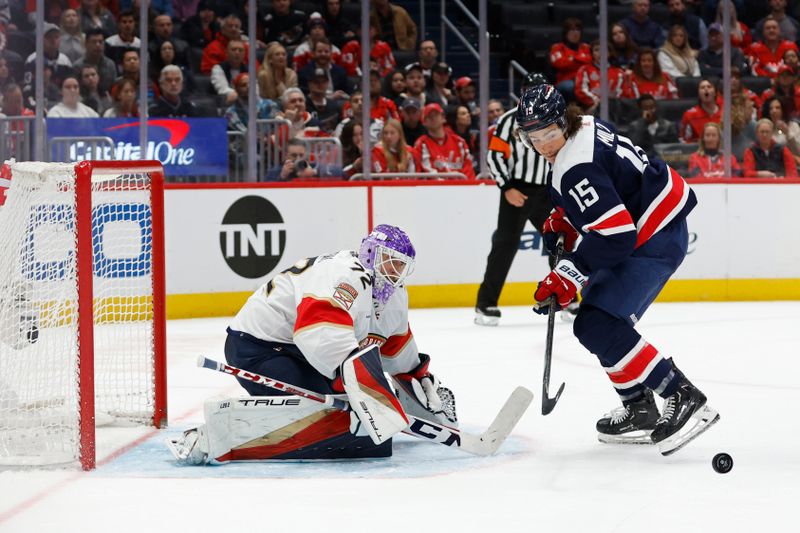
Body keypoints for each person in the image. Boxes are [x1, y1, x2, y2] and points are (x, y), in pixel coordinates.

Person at [516, 83, 719, 455]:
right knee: (594, 321)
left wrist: (567, 273)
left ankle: (681, 394)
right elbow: (609, 185)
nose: (543, 143)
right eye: (534, 136)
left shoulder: (574, 167)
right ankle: (639, 408)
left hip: (651, 235)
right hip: (656, 222)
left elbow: (616, 236)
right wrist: (568, 216)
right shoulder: (586, 126)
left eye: (548, 132)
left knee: (598, 323)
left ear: (563, 122)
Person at [167, 225, 453, 464]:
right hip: (257, 349)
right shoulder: (344, 275)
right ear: (370, 254)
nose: (396, 271)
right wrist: (354, 382)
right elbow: (316, 331)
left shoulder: (393, 294)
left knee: (347, 407)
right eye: (390, 261)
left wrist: (416, 376)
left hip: (296, 351)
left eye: (402, 265)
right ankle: (219, 437)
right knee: (332, 411)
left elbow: (394, 346)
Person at [475, 72, 553, 326]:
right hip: (516, 189)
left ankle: (565, 298)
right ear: (522, 92)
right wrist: (507, 187)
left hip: (546, 191)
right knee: (504, 245)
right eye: (531, 90)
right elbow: (494, 156)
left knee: (559, 242)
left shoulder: (554, 119)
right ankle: (485, 304)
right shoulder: (509, 121)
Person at [414, 103, 476, 180]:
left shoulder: (459, 142)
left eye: (436, 115)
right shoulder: (421, 144)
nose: (433, 118)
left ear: (443, 118)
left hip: (462, 188)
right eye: (429, 117)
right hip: (436, 189)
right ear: (424, 123)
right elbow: (427, 172)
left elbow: (468, 169)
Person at [574, 40, 625, 115]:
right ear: (592, 53)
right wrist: (596, 100)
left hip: (614, 109)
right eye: (596, 50)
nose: (600, 53)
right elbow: (580, 90)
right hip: (592, 108)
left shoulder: (619, 73)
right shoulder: (585, 70)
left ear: (609, 53)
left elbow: (621, 93)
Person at [548, 18, 592, 100]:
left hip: (586, 80)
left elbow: (591, 62)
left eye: (578, 30)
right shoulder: (557, 47)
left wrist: (573, 59)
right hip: (566, 81)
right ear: (566, 32)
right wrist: (581, 59)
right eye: (572, 30)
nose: (575, 33)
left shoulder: (586, 47)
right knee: (570, 87)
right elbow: (560, 64)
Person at [627, 94, 679, 159]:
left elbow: (676, 148)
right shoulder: (634, 126)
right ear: (640, 110)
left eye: (652, 107)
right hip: (643, 160)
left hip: (664, 160)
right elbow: (633, 146)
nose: (650, 111)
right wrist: (642, 123)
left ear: (656, 107)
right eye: (645, 108)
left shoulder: (668, 126)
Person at [680, 78, 722, 143]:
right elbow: (683, 140)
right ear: (699, 94)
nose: (706, 89)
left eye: (709, 87)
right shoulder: (689, 115)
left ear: (715, 93)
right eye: (702, 87)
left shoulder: (725, 114)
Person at [305, 67, 343, 134]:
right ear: (309, 84)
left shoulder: (334, 105)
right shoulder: (304, 105)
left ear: (328, 83)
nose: (320, 84)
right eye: (316, 82)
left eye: (323, 81)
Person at [762, 96, 800, 162]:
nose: (774, 111)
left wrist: (787, 133)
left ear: (783, 110)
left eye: (777, 108)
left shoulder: (793, 126)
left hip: (794, 164)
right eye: (771, 109)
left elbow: (798, 151)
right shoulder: (765, 128)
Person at [211, 39, 247, 106]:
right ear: (226, 53)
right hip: (222, 105)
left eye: (240, 50)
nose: (237, 53)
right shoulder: (218, 68)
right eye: (233, 49)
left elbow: (255, 89)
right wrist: (242, 93)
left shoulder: (249, 70)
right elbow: (223, 89)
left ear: (244, 54)